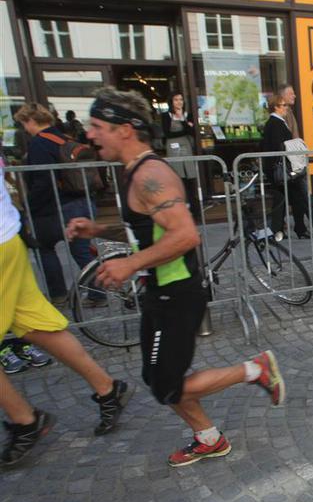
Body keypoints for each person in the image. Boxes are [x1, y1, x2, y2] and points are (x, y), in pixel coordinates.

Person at [67, 87, 287, 467]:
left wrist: (130, 264)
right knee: (157, 378)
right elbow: (146, 230)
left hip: (177, 293)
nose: (89, 134)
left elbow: (185, 235)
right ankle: (209, 438)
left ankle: (256, 370)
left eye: (97, 126)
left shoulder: (150, 175)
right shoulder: (133, 172)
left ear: (125, 130)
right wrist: (98, 231)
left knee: (166, 386)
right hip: (160, 292)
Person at [1, 160, 133, 467]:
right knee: (37, 326)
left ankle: (24, 420)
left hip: (3, 241)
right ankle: (107, 389)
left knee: (37, 326)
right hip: (7, 238)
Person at [14, 102, 101, 307]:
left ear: (31, 121)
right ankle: (99, 293)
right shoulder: (64, 138)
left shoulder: (39, 143)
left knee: (45, 247)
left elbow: (43, 180)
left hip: (58, 205)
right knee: (82, 250)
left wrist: (29, 206)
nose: (25, 128)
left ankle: (58, 294)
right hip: (82, 200)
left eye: (24, 123)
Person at [261, 95, 310, 240]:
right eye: (284, 105)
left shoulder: (275, 122)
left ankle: (282, 230)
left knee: (284, 200)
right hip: (282, 169)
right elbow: (280, 146)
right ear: (275, 107)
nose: (287, 108)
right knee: (295, 198)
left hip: (279, 169)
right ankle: (296, 229)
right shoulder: (275, 123)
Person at [161, 92, 200, 214]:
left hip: (186, 147)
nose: (179, 102)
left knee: (189, 177)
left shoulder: (188, 115)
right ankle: (180, 206)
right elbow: (167, 133)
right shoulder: (166, 115)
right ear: (171, 102)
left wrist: (182, 119)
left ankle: (194, 208)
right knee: (178, 176)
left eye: (181, 99)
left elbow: (192, 132)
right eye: (176, 100)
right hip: (173, 148)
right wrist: (185, 129)